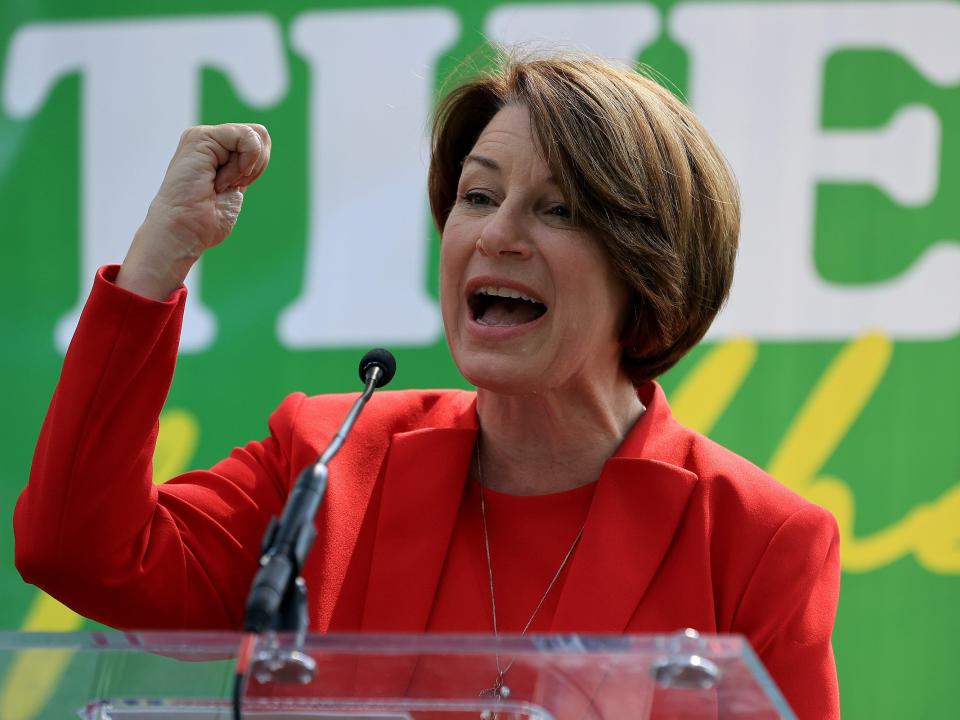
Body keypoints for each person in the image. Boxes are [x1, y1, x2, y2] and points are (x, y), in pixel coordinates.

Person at [14, 53, 839, 718]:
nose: (495, 234)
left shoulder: (759, 543)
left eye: (556, 211)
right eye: (478, 196)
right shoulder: (327, 463)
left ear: (650, 272)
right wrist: (160, 261)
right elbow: (79, 552)